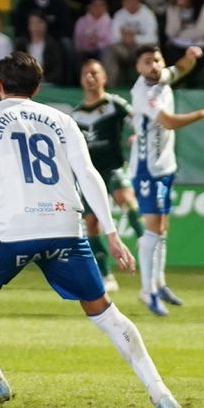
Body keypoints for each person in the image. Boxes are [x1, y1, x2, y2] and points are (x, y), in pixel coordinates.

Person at [0, 51, 179, 408]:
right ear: (37, 87)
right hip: (66, 227)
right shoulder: (61, 120)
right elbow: (88, 174)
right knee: (105, 313)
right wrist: (111, 232)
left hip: (14, 229)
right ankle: (160, 391)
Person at [128, 43, 204, 317]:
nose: (154, 65)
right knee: (153, 228)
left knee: (162, 227)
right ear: (138, 67)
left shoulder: (162, 76)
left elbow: (179, 68)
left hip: (165, 166)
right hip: (147, 169)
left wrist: (190, 57)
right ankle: (147, 290)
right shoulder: (143, 92)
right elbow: (168, 122)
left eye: (157, 60)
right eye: (147, 61)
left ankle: (159, 283)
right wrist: (202, 113)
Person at [72, 60, 139, 290]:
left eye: (94, 73)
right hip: (89, 173)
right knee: (91, 223)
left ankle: (145, 242)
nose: (90, 77)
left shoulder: (115, 104)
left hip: (114, 166)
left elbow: (138, 122)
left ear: (104, 78)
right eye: (85, 73)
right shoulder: (76, 114)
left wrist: (137, 136)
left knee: (125, 198)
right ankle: (106, 275)